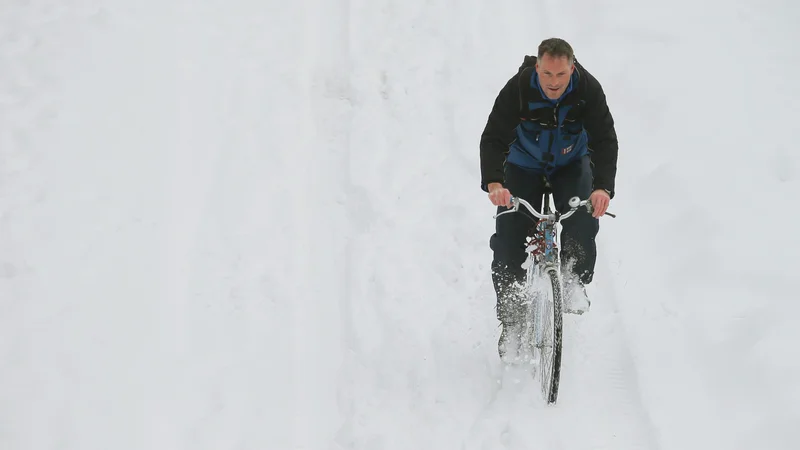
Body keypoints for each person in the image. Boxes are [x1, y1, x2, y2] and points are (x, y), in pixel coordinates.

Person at [479, 38, 618, 358]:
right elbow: (494, 136)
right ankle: (513, 321)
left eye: (560, 75)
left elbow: (605, 139)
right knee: (509, 239)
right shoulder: (517, 89)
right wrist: (494, 182)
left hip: (570, 165)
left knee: (583, 211)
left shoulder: (588, 91)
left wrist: (603, 187)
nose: (553, 82)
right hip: (523, 167)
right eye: (546, 74)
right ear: (537, 68)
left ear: (572, 68)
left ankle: (572, 277)